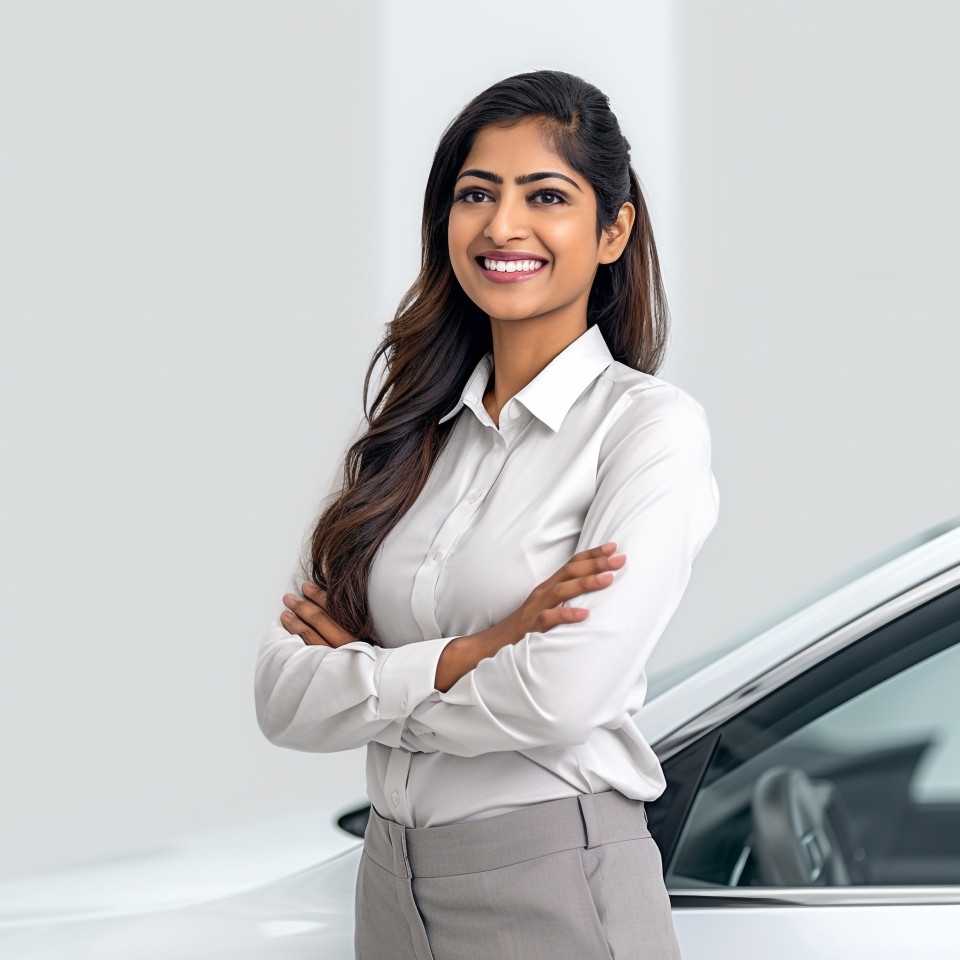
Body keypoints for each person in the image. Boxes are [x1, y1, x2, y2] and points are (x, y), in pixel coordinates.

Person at [254, 69, 719, 960]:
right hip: (389, 884)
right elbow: (281, 695)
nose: (503, 226)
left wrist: (372, 679)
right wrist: (480, 648)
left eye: (546, 195)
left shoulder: (649, 429)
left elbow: (560, 695)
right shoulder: (403, 435)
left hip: (552, 879)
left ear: (612, 229)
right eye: (476, 194)